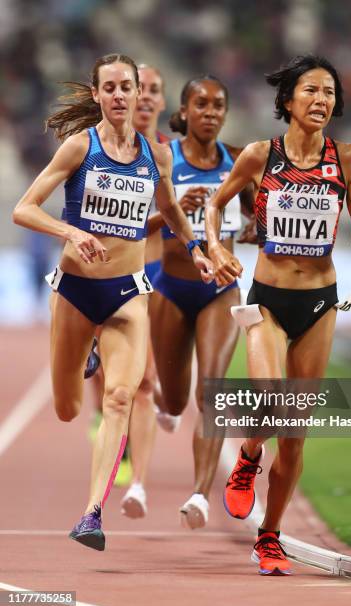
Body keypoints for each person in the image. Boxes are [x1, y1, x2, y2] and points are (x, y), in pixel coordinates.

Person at [13, 53, 212, 551]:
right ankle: (87, 353)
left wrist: (196, 250)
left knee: (122, 397)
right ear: (98, 95)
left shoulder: (155, 155)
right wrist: (71, 231)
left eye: (130, 87)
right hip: (76, 292)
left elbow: (169, 211)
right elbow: (24, 209)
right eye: (113, 88)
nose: (123, 96)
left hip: (127, 293)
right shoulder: (80, 147)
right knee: (65, 407)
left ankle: (90, 513)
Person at [205, 55, 351, 575]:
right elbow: (216, 205)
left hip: (321, 301)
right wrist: (214, 248)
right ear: (287, 100)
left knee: (297, 431)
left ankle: (270, 536)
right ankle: (250, 453)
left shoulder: (348, 159)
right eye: (311, 91)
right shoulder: (261, 155)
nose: (321, 100)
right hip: (267, 300)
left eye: (329, 92)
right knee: (273, 397)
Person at [147, 75, 254, 529]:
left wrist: (252, 232)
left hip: (219, 291)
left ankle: (199, 494)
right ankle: (161, 401)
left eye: (218, 105)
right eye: (201, 104)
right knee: (174, 401)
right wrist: (172, 210)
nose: (210, 112)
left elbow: (257, 221)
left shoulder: (239, 162)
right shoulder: (164, 159)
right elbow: (137, 226)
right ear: (185, 111)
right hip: (171, 287)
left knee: (212, 391)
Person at [90, 63, 169, 516]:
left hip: (156, 277)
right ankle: (105, 429)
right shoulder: (95, 147)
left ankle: (138, 482)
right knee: (106, 381)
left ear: (155, 98)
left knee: (147, 385)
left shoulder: (165, 155)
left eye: (153, 90)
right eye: (140, 89)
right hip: (104, 274)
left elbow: (178, 218)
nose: (145, 98)